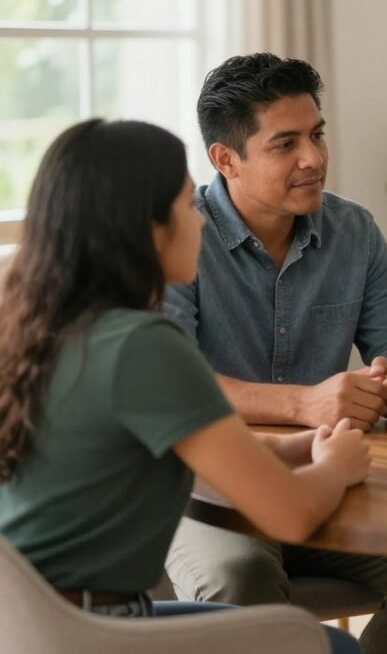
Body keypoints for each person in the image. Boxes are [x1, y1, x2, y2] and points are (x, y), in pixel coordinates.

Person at [0, 119, 363, 654]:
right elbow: (291, 513)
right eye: (188, 204)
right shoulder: (144, 345)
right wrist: (339, 464)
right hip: (92, 632)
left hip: (28, 626)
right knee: (331, 647)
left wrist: (293, 447)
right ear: (148, 228)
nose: (201, 223)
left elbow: (166, 449)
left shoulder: (36, 324)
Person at [161, 53, 387, 654]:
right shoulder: (180, 236)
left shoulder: (354, 231)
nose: (314, 157)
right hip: (206, 494)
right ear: (226, 159)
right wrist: (304, 402)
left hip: (329, 479)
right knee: (239, 577)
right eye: (286, 143)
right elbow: (172, 381)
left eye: (317, 134)